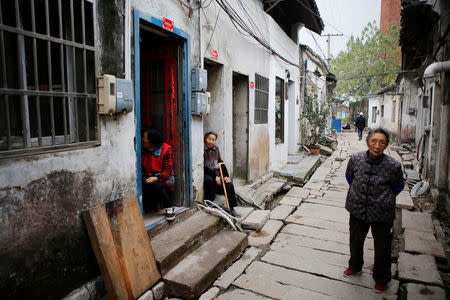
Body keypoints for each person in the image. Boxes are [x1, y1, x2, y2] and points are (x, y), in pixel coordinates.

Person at [343, 128, 404, 293]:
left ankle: (382, 278)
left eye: (382, 142)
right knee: (355, 240)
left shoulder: (393, 166)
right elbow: (350, 177)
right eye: (374, 141)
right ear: (368, 141)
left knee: (382, 247)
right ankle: (354, 266)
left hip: (382, 212)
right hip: (357, 208)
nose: (377, 146)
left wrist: (383, 198)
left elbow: (398, 186)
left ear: (385, 145)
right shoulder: (355, 159)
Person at [141, 128, 176, 220]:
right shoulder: (142, 149)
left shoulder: (167, 149)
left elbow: (168, 171)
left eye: (144, 138)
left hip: (163, 178)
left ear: (151, 141)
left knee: (157, 185)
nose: (142, 139)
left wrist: (156, 178)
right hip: (148, 176)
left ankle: (169, 207)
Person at [203, 131, 239, 216]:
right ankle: (210, 202)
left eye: (213, 140)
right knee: (209, 180)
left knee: (229, 184)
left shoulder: (216, 149)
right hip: (207, 173)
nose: (211, 141)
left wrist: (225, 176)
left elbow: (220, 163)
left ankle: (231, 208)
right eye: (209, 139)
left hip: (216, 174)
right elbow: (205, 165)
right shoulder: (202, 149)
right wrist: (215, 176)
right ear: (205, 139)